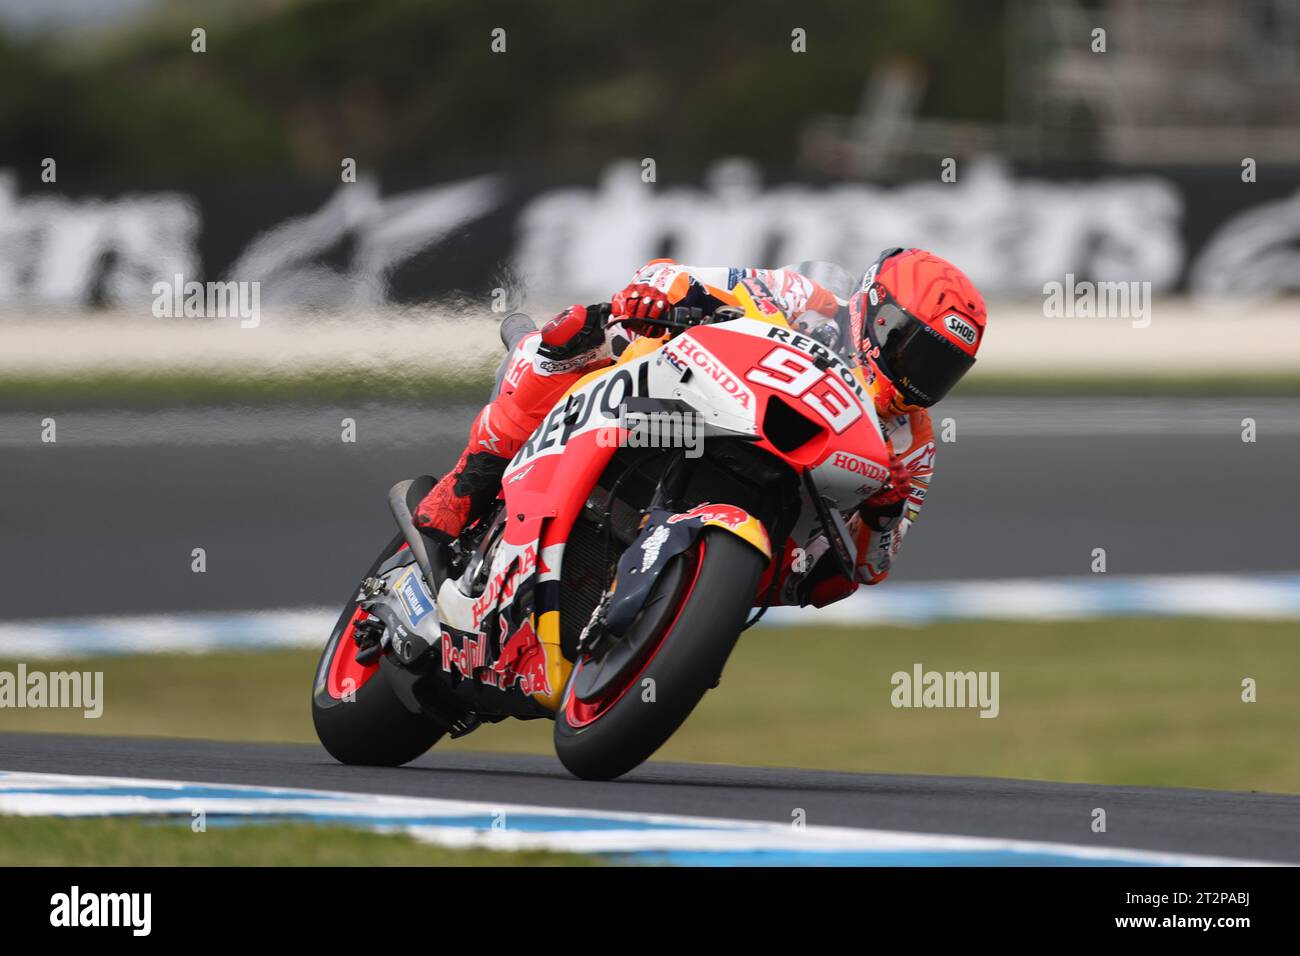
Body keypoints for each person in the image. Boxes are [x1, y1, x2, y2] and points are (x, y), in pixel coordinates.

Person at [413, 248, 986, 605]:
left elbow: (873, 565)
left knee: (825, 581)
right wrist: (660, 296)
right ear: (878, 315)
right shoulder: (805, 301)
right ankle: (465, 486)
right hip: (688, 410)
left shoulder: (914, 444)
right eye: (915, 350)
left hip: (776, 505)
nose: (921, 376)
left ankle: (676, 611)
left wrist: (882, 512)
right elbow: (681, 278)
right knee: (578, 331)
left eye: (942, 370)